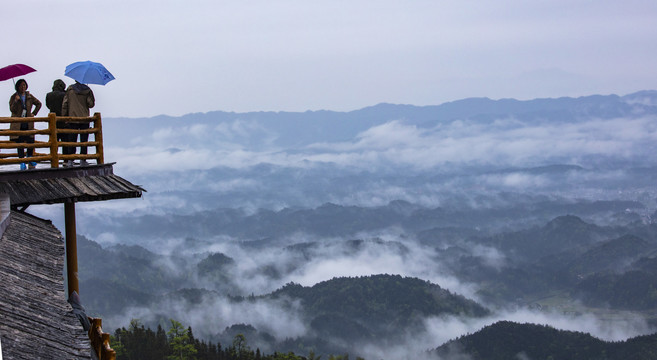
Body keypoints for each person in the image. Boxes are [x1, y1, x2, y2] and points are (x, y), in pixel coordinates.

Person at [9, 79, 41, 170]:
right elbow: (12, 110)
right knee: (20, 142)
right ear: (17, 87)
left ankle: (30, 158)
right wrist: (16, 101)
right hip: (18, 123)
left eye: (24, 85)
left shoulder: (29, 96)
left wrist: (33, 113)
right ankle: (22, 161)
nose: (23, 87)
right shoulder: (14, 97)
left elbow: (38, 104)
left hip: (28, 122)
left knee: (30, 140)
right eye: (21, 85)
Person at [62, 81, 95, 166]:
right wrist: (90, 95)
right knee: (84, 141)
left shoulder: (70, 90)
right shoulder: (87, 90)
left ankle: (71, 160)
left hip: (72, 118)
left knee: (72, 140)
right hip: (84, 119)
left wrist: (64, 116)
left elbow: (65, 104)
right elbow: (91, 104)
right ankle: (83, 159)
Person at [46, 79, 75, 166]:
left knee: (54, 141)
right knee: (65, 141)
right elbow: (67, 105)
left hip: (53, 122)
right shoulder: (64, 95)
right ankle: (65, 160)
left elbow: (48, 105)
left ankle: (53, 158)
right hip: (63, 120)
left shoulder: (49, 95)